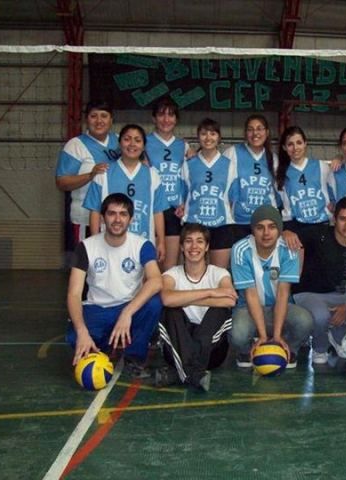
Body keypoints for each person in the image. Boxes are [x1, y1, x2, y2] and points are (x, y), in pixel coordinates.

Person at [65, 193, 162, 377]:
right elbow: (74, 294)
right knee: (74, 337)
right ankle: (106, 345)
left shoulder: (142, 245)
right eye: (112, 213)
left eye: (123, 214)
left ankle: (134, 357)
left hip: (128, 307)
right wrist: (82, 331)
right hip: (97, 309)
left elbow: (156, 280)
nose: (117, 219)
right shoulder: (85, 247)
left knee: (154, 303)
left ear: (131, 219)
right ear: (103, 218)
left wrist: (127, 312)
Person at [229, 205, 313, 368]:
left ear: (279, 230)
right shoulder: (240, 249)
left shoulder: (288, 249)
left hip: (279, 307)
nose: (266, 233)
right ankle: (246, 350)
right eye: (260, 227)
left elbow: (283, 294)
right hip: (248, 308)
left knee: (305, 321)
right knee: (237, 333)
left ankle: (288, 348)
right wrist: (262, 336)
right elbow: (251, 295)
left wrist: (276, 336)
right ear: (253, 230)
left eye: (272, 227)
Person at [157, 223, 237, 391]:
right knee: (171, 311)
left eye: (200, 241)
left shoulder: (219, 273)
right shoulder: (171, 274)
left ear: (207, 247)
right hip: (177, 346)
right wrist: (211, 292)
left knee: (218, 311)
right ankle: (195, 375)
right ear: (181, 246)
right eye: (188, 241)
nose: (194, 246)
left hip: (212, 351)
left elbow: (229, 301)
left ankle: (179, 373)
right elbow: (166, 299)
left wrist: (185, 299)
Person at [293, 197, 346, 366]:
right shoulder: (317, 235)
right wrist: (286, 233)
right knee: (321, 316)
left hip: (344, 297)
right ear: (334, 219)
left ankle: (336, 335)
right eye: (343, 219)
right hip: (311, 294)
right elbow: (290, 235)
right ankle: (319, 348)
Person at [84, 124, 167, 263]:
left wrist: (161, 242)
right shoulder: (103, 174)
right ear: (120, 143)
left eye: (137, 140)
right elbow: (95, 211)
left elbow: (158, 212)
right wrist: (94, 242)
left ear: (144, 146)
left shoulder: (153, 175)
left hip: (143, 244)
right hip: (109, 244)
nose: (132, 144)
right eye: (127, 139)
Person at [55, 100, 120, 245]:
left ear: (111, 120)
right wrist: (90, 175)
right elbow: (61, 182)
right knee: (88, 258)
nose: (99, 121)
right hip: (86, 219)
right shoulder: (75, 145)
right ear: (86, 119)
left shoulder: (120, 142)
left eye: (104, 116)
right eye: (93, 116)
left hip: (117, 219)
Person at [179, 118, 236, 269]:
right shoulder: (188, 164)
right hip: (194, 225)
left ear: (219, 137)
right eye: (204, 133)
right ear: (198, 137)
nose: (208, 138)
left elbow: (233, 197)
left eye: (213, 133)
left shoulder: (229, 165)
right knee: (193, 272)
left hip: (221, 225)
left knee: (219, 273)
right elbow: (183, 194)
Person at [145, 98, 188, 271]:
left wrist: (185, 202)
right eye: (161, 114)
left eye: (171, 115)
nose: (166, 119)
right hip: (150, 209)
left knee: (170, 267)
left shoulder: (183, 146)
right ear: (154, 118)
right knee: (149, 267)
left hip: (174, 211)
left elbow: (192, 178)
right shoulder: (143, 143)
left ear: (176, 119)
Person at [224, 114, 279, 244]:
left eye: (259, 129)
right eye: (250, 129)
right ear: (245, 133)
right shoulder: (232, 153)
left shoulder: (273, 158)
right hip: (239, 222)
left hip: (266, 223)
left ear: (267, 132)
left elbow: (278, 193)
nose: (255, 133)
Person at [276, 126, 333, 252]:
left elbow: (336, 191)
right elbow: (278, 205)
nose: (295, 148)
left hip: (322, 226)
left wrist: (334, 204)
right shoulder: (280, 174)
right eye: (290, 144)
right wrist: (284, 229)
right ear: (284, 147)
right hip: (295, 229)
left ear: (305, 143)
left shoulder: (322, 166)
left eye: (299, 142)